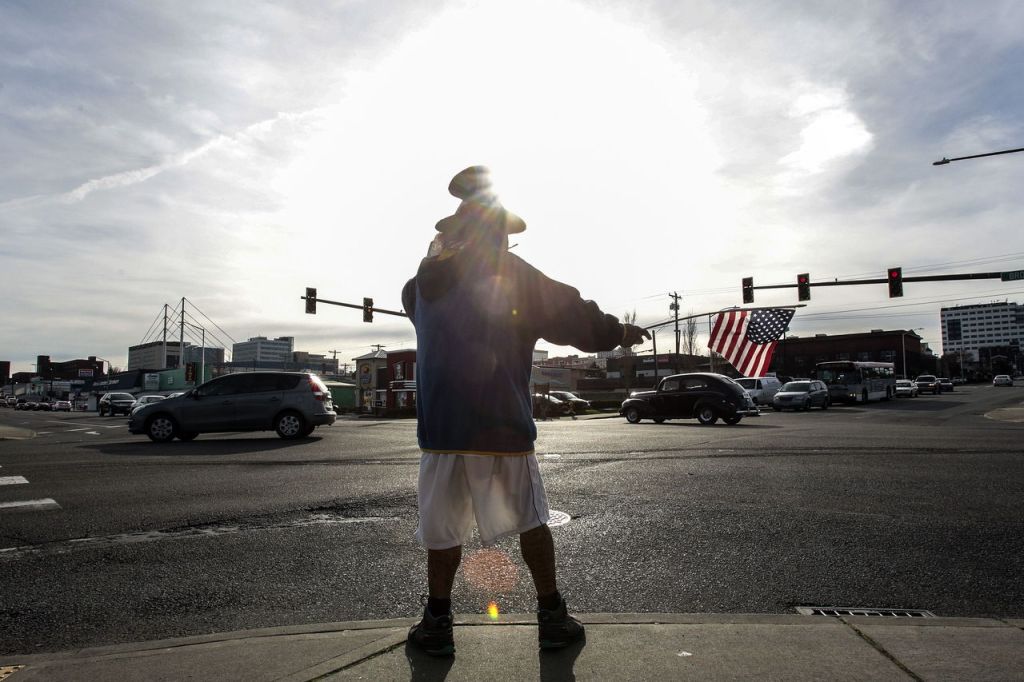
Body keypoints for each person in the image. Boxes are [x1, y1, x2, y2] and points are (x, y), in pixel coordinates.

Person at [401, 166, 650, 656]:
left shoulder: (417, 288)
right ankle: (552, 619)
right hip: (501, 428)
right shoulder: (510, 274)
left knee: (442, 531)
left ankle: (436, 624)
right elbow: (571, 314)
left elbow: (421, 305)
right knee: (533, 522)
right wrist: (619, 332)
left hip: (441, 431)